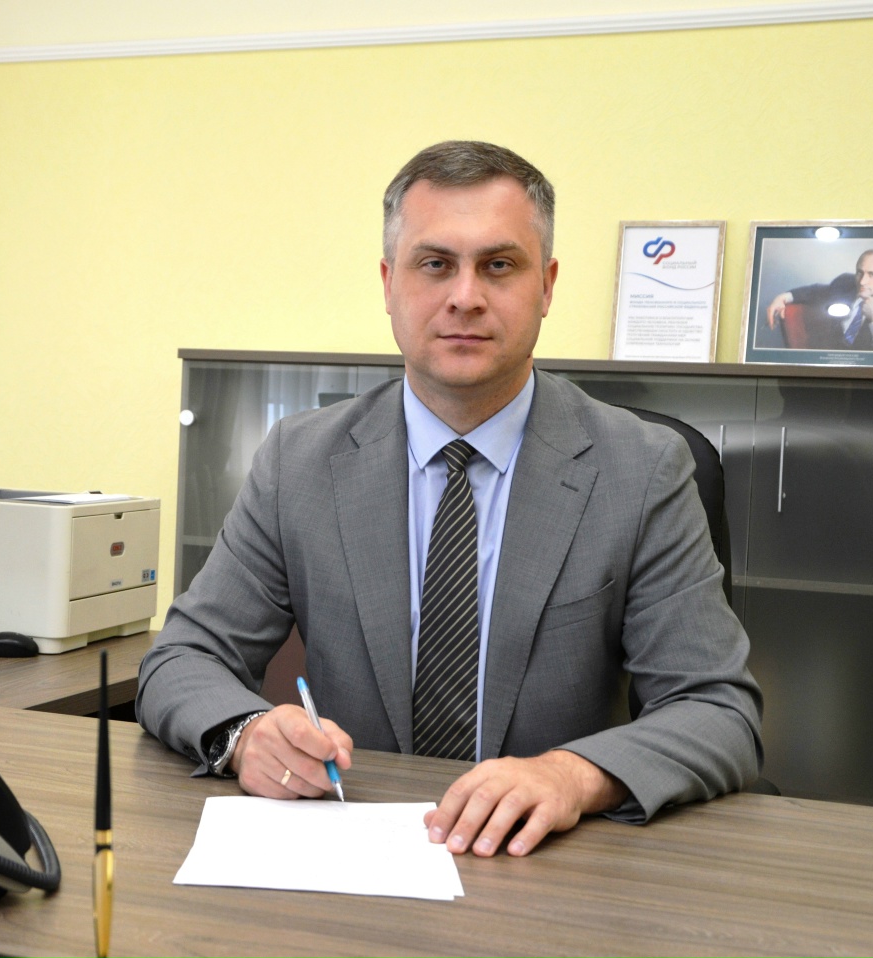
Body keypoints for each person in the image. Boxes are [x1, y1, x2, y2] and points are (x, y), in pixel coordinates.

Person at [137, 141, 762, 858]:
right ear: (388, 284)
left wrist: (571, 775)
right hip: (353, 851)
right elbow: (183, 656)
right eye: (435, 264)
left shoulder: (641, 468)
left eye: (499, 265)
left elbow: (717, 708)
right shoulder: (299, 461)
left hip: (548, 863)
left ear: (547, 285)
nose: (465, 296)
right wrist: (247, 734)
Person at [765, 249, 873, 351]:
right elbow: (817, 291)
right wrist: (784, 297)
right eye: (859, 272)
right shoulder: (845, 282)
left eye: (872, 274)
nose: (862, 281)